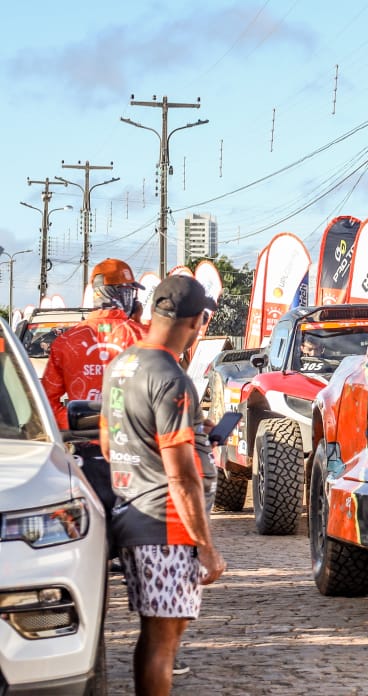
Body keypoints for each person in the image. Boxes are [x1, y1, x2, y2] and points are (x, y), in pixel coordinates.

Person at [101, 275, 225, 695]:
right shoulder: (172, 378)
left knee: (153, 636)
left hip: (131, 514)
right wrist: (205, 546)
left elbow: (108, 444)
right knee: (164, 643)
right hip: (166, 526)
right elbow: (182, 474)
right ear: (196, 322)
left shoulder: (122, 364)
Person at [42, 258, 147, 429]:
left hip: (82, 440)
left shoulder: (66, 341)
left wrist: (79, 424)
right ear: (122, 295)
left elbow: (45, 402)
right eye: (130, 293)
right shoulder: (144, 337)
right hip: (131, 440)